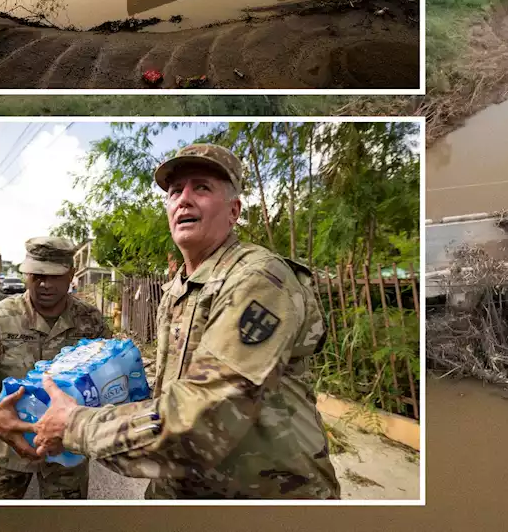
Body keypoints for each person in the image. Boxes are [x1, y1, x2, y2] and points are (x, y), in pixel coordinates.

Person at [21, 143, 341, 500]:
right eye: (175, 192)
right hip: (184, 490)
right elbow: (176, 385)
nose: (183, 199)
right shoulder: (179, 288)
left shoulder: (259, 279)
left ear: (234, 210)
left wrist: (76, 425)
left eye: (201, 187)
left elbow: (203, 420)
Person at [0, 237, 110, 499]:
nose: (44, 284)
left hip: (65, 453)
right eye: (36, 275)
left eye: (54, 276)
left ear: (70, 274)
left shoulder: (91, 322)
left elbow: (109, 376)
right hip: (2, 450)